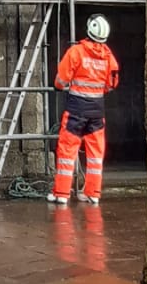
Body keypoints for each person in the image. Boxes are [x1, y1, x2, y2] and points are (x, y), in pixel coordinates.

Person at [50, 14, 120, 206]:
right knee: (96, 154)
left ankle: (62, 194)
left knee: (67, 152)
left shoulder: (76, 52)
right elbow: (112, 83)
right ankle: (93, 193)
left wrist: (58, 86)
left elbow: (61, 79)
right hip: (97, 113)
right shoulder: (108, 57)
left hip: (75, 111)